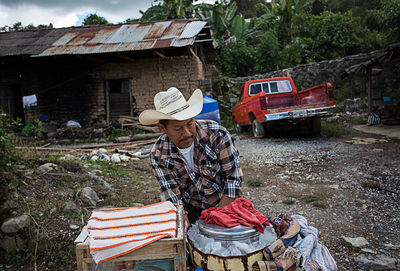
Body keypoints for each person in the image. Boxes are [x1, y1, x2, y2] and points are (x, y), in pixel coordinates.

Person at [139, 87, 243, 225]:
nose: (187, 133)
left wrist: (217, 216)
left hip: (225, 204)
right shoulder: (158, 155)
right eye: (178, 128)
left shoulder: (218, 135)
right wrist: (185, 226)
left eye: (189, 124)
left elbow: (234, 179)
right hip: (191, 209)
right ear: (163, 128)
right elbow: (172, 196)